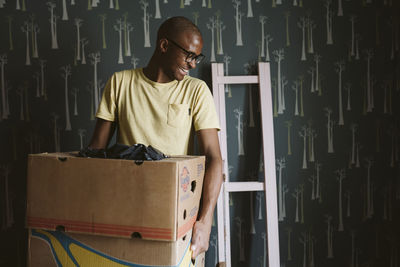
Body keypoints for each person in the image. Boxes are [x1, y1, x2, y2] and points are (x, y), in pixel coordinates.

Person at [87, 16, 223, 260]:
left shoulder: (197, 91)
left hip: (175, 210)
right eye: (189, 55)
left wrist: (205, 221)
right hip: (123, 207)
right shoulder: (120, 82)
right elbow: (95, 151)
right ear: (164, 46)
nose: (193, 64)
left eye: (197, 58)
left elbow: (214, 157)